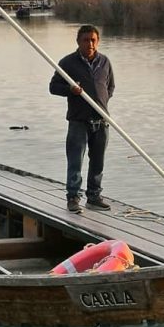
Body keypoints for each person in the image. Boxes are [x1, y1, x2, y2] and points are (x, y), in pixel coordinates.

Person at [49, 24, 115, 213]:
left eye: (93, 40)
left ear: (98, 41)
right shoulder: (68, 63)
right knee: (75, 160)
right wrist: (70, 90)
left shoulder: (105, 62)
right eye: (86, 40)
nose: (90, 44)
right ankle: (73, 198)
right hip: (78, 121)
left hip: (101, 120)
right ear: (78, 42)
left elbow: (110, 87)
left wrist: (100, 101)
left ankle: (93, 197)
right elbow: (53, 87)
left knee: (98, 161)